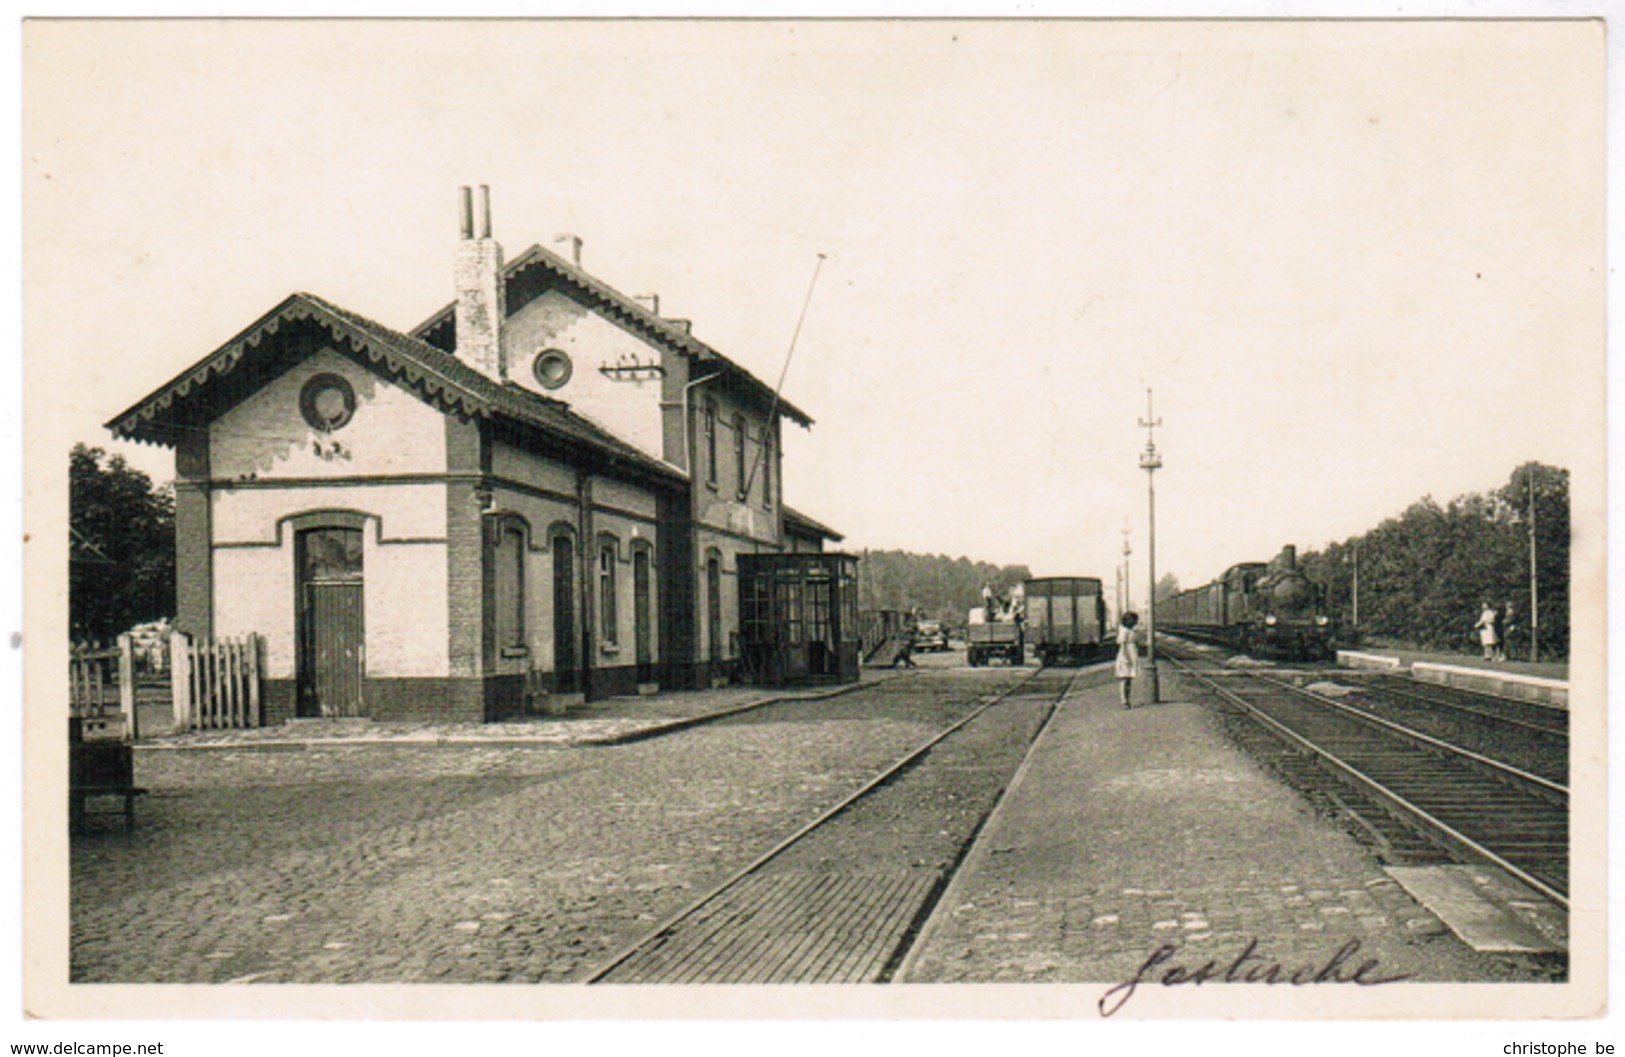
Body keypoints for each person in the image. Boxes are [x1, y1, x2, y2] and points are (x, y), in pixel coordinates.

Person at [1116, 611, 1141, 709]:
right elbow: (1123, 645)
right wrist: (1126, 657)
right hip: (1125, 657)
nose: (1136, 622)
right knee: (1124, 679)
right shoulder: (1124, 631)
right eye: (1135, 620)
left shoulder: (1130, 630)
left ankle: (1127, 699)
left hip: (1130, 656)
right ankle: (1124, 701)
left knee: (1128, 679)